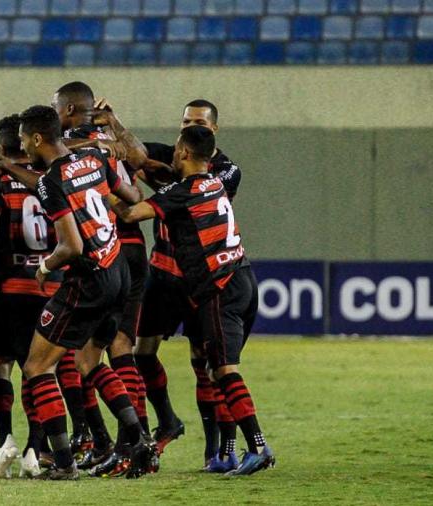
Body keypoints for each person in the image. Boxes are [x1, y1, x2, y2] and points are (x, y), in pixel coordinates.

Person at [0, 105, 154, 480]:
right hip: (119, 270)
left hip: (88, 281)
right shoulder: (95, 159)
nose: (23, 146)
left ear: (37, 138)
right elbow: (132, 195)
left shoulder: (51, 182)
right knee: (88, 363)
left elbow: (71, 246)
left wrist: (45, 266)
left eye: (24, 139)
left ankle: (65, 463)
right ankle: (138, 439)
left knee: (37, 367)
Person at [114, 126, 275, 477]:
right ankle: (229, 452)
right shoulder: (214, 183)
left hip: (219, 286)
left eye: (176, 149)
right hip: (243, 277)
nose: (173, 153)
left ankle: (258, 446)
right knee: (216, 369)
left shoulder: (183, 192)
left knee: (224, 370)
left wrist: (98, 192)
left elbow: (129, 215)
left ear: (185, 153)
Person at [96, 98, 244, 471]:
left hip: (199, 278)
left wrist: (134, 174)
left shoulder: (226, 171)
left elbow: (179, 185)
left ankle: (215, 449)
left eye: (199, 122)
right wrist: (112, 124)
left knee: (204, 361)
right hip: (162, 272)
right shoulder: (174, 154)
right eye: (186, 121)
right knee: (142, 352)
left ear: (214, 129)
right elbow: (137, 155)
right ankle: (167, 420)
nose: (190, 127)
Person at [54, 82, 152, 476]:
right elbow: (136, 162)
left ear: (70, 109)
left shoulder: (78, 142)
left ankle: (130, 441)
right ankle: (119, 440)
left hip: (108, 250)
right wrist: (107, 135)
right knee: (104, 351)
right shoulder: (99, 139)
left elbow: (139, 160)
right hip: (121, 248)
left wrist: (112, 123)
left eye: (57, 107)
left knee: (101, 351)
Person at [0, 114, 63, 478]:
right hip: (50, 286)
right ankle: (34, 448)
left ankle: (5, 439)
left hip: (13, 288)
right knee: (40, 369)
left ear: (2, 147)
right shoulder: (52, 177)